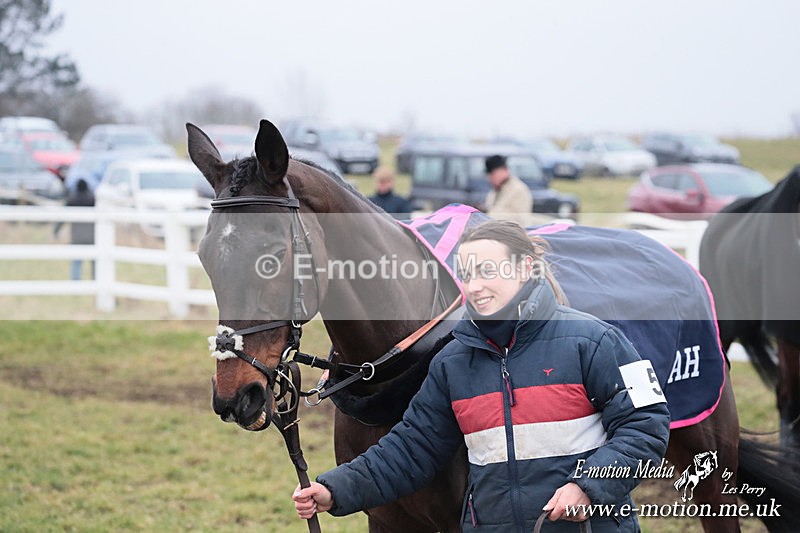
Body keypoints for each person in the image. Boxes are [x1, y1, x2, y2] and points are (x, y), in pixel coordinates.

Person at [292, 219, 671, 532]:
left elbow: (647, 423)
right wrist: (333, 489)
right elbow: (410, 449)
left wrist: (589, 487)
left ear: (525, 268)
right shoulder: (452, 363)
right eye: (467, 274)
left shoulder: (598, 341)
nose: (474, 286)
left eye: (488, 271)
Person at [54, 178, 95, 280]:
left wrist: (56, 230)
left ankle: (75, 282)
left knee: (76, 261)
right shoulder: (92, 199)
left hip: (77, 236)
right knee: (94, 260)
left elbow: (62, 217)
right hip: (92, 235)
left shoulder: (72, 200)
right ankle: (96, 280)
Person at [484, 154, 534, 227]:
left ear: (504, 170)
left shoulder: (518, 189)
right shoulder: (496, 190)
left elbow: (521, 219)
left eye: (492, 174)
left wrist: (489, 214)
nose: (490, 178)